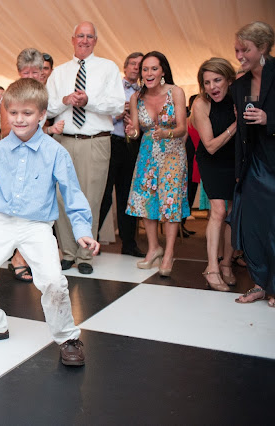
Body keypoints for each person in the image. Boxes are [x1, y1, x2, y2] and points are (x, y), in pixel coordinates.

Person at [0, 78, 97, 366]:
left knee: (53, 282)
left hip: (37, 226)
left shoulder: (56, 152)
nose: (20, 119)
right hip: (0, 223)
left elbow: (72, 193)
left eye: (27, 113)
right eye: (13, 113)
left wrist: (82, 229)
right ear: (5, 113)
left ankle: (68, 338)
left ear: (42, 115)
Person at [47, 21, 125, 275]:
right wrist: (65, 100)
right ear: (72, 39)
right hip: (64, 141)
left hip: (96, 141)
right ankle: (68, 253)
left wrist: (89, 101)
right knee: (61, 198)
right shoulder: (59, 73)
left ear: (95, 41)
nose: (84, 40)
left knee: (91, 198)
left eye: (89, 36)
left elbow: (117, 105)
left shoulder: (108, 68)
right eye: (80, 36)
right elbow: (47, 107)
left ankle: (85, 255)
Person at [0, 48, 64, 282]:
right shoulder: (12, 95)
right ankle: (19, 258)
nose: (30, 76)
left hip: (43, 159)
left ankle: (31, 257)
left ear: (42, 72)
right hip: (17, 158)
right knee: (23, 209)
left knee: (40, 208)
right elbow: (6, 131)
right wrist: (45, 130)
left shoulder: (45, 95)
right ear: (19, 72)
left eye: (35, 72)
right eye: (25, 72)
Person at [124, 51, 189, 277]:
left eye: (154, 68)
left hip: (172, 153)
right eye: (145, 69)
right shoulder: (137, 98)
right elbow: (135, 131)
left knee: (170, 202)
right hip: (147, 153)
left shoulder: (175, 92)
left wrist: (167, 133)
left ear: (163, 71)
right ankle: (153, 249)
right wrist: (131, 132)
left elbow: (182, 128)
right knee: (145, 199)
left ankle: (169, 253)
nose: (149, 73)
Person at [230, 21, 275, 306]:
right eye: (236, 50)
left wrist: (269, 119)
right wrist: (239, 172)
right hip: (253, 164)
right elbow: (240, 133)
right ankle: (260, 284)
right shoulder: (239, 85)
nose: (239, 56)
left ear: (263, 48)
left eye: (245, 50)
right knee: (253, 227)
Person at [190, 58, 237, 292]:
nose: (212, 87)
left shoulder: (238, 97)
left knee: (233, 213)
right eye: (207, 82)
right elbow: (209, 146)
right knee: (218, 210)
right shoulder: (201, 103)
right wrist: (236, 124)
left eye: (217, 80)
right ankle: (212, 268)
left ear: (229, 79)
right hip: (212, 160)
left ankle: (227, 264)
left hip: (235, 159)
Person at [98, 51, 145, 258]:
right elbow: (98, 114)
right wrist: (118, 114)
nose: (136, 67)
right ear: (125, 67)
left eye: (140, 65)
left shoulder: (145, 92)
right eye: (133, 63)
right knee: (104, 194)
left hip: (133, 144)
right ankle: (92, 239)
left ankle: (129, 244)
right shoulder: (112, 87)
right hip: (111, 142)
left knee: (128, 195)